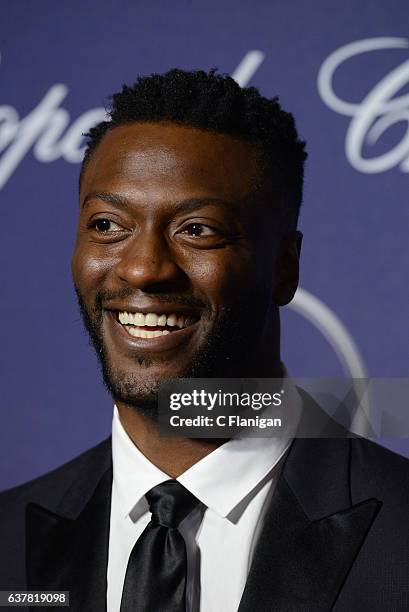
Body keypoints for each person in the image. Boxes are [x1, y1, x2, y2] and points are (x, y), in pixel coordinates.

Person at [0, 68, 408, 612]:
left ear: (285, 267)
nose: (143, 269)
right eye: (106, 225)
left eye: (197, 229)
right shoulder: (8, 540)